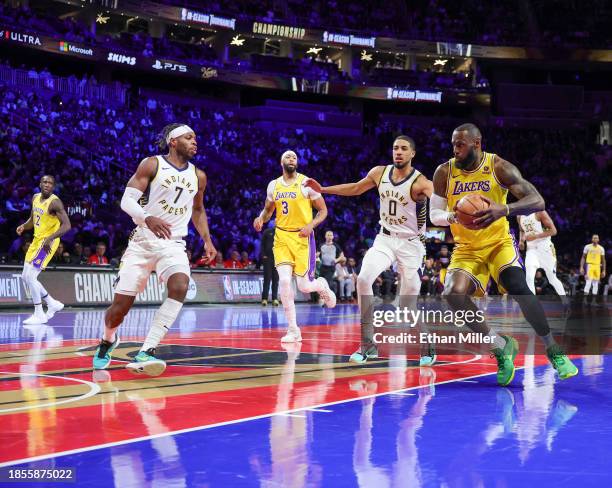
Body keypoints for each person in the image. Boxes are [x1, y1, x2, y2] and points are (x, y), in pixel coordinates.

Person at [428, 123, 577, 385]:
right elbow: (434, 215)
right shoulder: (444, 172)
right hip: (466, 248)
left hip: (498, 242)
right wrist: (453, 215)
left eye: (460, 144)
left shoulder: (498, 167)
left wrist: (504, 209)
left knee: (519, 286)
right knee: (452, 293)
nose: (455, 149)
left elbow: (538, 201)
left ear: (476, 143)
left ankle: (553, 349)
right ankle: (499, 346)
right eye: (453, 144)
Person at [92, 123, 216, 376]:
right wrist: (147, 217)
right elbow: (127, 200)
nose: (195, 142)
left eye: (195, 138)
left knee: (180, 286)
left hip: (173, 243)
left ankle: (147, 349)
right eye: (189, 138)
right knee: (119, 310)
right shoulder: (152, 164)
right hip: (143, 241)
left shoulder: (198, 176)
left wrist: (207, 240)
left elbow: (198, 210)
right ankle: (107, 340)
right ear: (173, 141)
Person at [305, 135, 434, 365]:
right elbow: (355, 188)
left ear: (413, 153)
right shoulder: (379, 173)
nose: (399, 152)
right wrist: (323, 189)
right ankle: (368, 345)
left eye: (404, 148)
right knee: (363, 279)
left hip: (411, 243)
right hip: (384, 239)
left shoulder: (422, 182)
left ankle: (427, 345)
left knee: (407, 305)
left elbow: (441, 206)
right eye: (395, 148)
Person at [253, 150, 336, 343]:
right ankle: (293, 330)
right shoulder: (273, 185)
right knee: (283, 282)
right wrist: (260, 218)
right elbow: (268, 210)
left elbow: (323, 211)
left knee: (304, 286)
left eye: (295, 157)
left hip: (302, 238)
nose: (292, 159)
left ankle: (321, 285)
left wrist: (311, 225)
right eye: (288, 157)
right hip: (281, 237)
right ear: (281, 162)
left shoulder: (307, 183)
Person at [17, 175, 71, 324]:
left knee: (31, 277)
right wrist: (23, 226)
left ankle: (39, 313)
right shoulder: (35, 197)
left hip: (48, 242)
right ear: (40, 184)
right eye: (45, 182)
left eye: (50, 183)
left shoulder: (55, 202)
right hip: (37, 240)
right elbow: (33, 220)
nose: (47, 185)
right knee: (25, 277)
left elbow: (67, 225)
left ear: (53, 186)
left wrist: (51, 238)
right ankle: (52, 303)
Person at [518, 211, 565, 296]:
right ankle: (532, 305)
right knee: (529, 277)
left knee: (552, 279)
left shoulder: (539, 212)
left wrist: (536, 236)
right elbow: (522, 230)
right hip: (531, 250)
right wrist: (521, 240)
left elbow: (553, 231)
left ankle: (565, 302)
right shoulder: (519, 216)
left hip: (546, 249)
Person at [260, 223, 279, 306]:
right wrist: (263, 255)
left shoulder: (282, 234)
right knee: (267, 279)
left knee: (276, 279)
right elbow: (262, 244)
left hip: (277, 259)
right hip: (268, 258)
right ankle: (264, 299)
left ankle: (275, 299)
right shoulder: (267, 232)